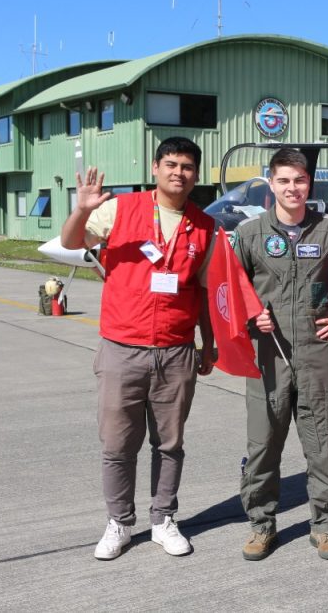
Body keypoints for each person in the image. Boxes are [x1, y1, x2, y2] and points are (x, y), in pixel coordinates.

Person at [60, 136, 216, 561]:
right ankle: (120, 523)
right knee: (117, 444)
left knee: (169, 444)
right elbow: (73, 242)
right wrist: (82, 209)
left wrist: (210, 343)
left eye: (186, 166)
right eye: (170, 163)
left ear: (196, 174)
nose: (177, 172)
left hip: (176, 352)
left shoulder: (205, 226)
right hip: (122, 348)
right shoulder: (120, 209)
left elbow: (202, 291)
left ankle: (163, 518)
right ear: (155, 167)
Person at [232, 148, 328, 562]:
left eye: (300, 180)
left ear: (310, 184)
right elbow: (228, 290)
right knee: (263, 445)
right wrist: (253, 318)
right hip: (267, 356)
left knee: (323, 443)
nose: (293, 188)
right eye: (284, 180)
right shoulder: (250, 234)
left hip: (316, 352)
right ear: (271, 184)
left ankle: (324, 526)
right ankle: (261, 525)